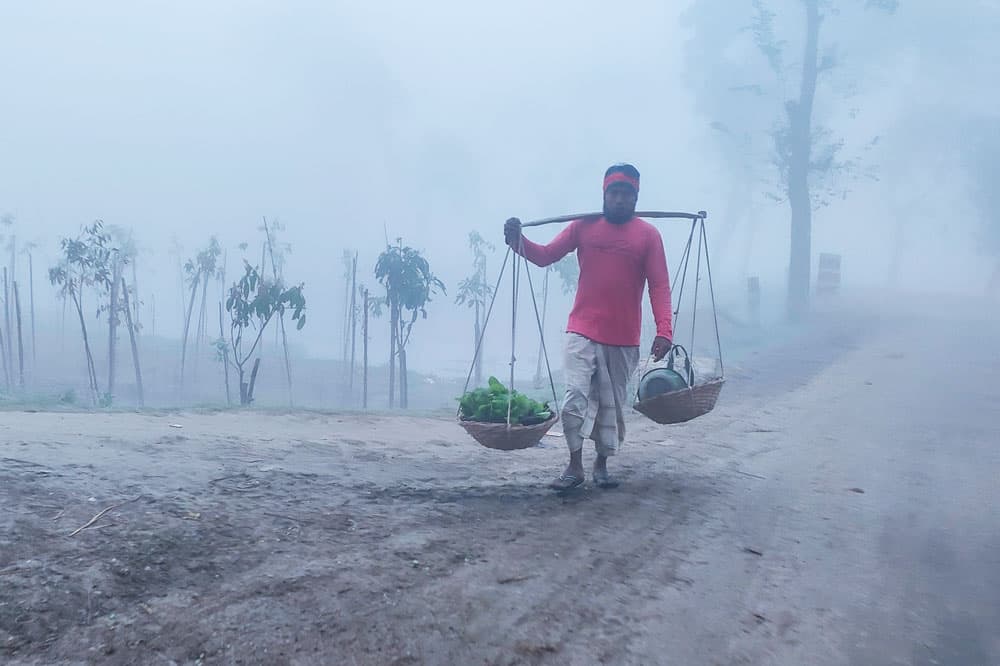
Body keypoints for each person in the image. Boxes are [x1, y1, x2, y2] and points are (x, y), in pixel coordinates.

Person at [504, 163, 673, 490]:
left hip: (623, 337)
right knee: (575, 397)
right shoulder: (584, 226)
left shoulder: (648, 236)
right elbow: (545, 256)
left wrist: (665, 329)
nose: (620, 200)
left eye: (627, 195)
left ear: (636, 198)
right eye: (615, 193)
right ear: (604, 195)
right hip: (581, 328)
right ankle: (574, 465)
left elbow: (659, 287)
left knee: (610, 406)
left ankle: (601, 463)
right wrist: (517, 241)